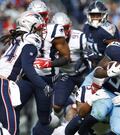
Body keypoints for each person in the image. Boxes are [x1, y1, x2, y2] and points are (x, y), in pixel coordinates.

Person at [15, 1, 71, 135]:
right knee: (12, 107)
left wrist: (50, 63)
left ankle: (59, 126)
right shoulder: (23, 30)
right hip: (27, 77)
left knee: (45, 119)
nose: (40, 19)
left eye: (43, 14)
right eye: (37, 15)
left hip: (45, 79)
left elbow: (66, 57)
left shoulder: (53, 30)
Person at [65, 1, 119, 134]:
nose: (95, 18)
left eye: (98, 15)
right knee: (83, 100)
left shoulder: (109, 30)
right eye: (93, 15)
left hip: (104, 69)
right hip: (90, 68)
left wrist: (100, 57)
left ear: (104, 15)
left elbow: (116, 52)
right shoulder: (86, 27)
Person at [0, 11, 51, 135]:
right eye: (39, 28)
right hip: (3, 84)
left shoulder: (17, 39)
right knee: (11, 130)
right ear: (31, 26)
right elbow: (28, 68)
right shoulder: (29, 41)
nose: (40, 31)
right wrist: (43, 85)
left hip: (3, 82)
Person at [50, 12, 89, 121]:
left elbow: (91, 54)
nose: (63, 32)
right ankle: (63, 121)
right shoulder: (49, 40)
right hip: (66, 74)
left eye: (65, 28)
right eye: (60, 29)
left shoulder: (80, 38)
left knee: (83, 108)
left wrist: (85, 58)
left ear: (70, 26)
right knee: (57, 106)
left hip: (83, 74)